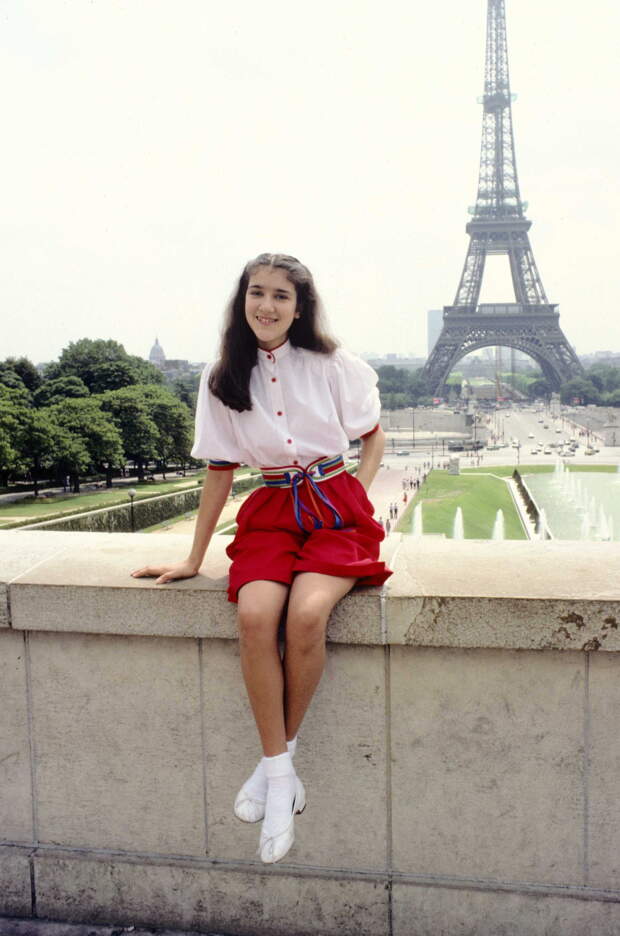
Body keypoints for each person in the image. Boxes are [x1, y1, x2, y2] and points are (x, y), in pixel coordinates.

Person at [131, 253, 391, 865]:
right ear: (241, 299)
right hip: (273, 510)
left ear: (299, 308)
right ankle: (282, 774)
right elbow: (219, 474)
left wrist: (356, 493)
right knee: (254, 618)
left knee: (306, 616)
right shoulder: (222, 375)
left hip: (333, 506)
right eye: (257, 292)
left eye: (280, 295)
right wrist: (194, 557)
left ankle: (274, 771)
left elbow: (373, 435)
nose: (266, 306)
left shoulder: (332, 363)